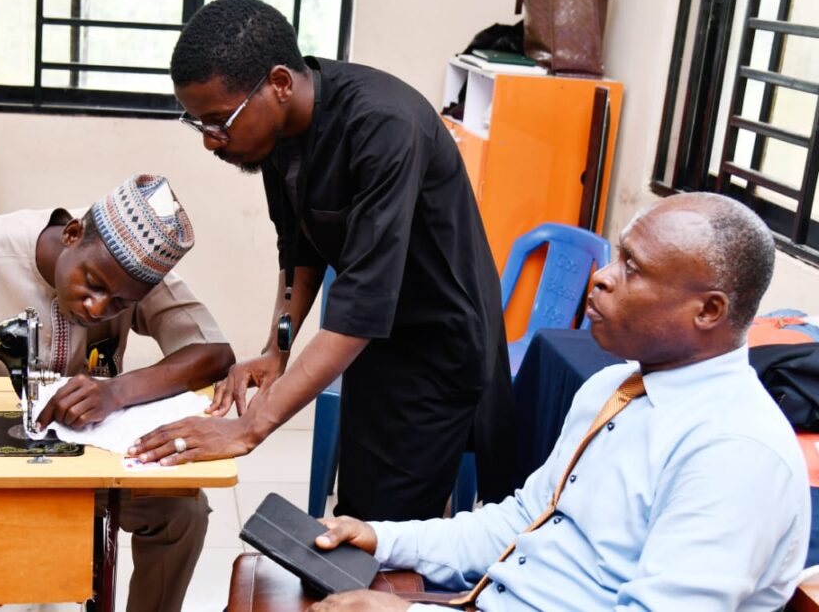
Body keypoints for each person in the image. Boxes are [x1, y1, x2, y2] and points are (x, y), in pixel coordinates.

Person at [305, 192, 810, 611]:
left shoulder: (736, 453)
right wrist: (383, 539)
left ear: (709, 311)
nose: (602, 276)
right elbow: (523, 519)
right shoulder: (613, 387)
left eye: (633, 268)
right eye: (617, 256)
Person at [130, 0, 515, 520]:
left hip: (437, 346)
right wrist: (276, 350)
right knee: (360, 506)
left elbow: (362, 305)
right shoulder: (277, 134)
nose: (211, 142)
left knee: (390, 526)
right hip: (375, 344)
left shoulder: (384, 126)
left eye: (219, 121)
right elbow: (300, 248)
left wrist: (249, 428)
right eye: (199, 124)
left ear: (279, 84)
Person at [0, 174, 235, 612]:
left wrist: (116, 392)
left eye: (118, 304)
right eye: (93, 284)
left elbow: (213, 352)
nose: (98, 308)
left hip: (76, 467)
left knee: (183, 513)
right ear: (72, 234)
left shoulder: (133, 268)